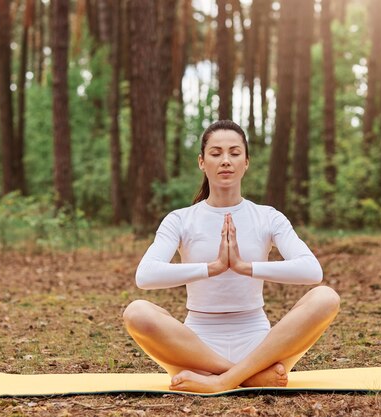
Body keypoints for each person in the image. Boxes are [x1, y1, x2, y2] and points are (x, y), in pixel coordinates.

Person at [123, 120, 340, 393]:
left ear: (246, 162)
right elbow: (145, 275)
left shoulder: (267, 217)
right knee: (137, 312)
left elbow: (312, 271)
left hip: (260, 343)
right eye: (216, 153)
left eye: (234, 153)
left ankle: (221, 381)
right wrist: (211, 268)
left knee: (326, 297)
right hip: (196, 347)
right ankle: (247, 377)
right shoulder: (180, 220)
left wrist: (244, 266)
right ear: (202, 162)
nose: (225, 160)